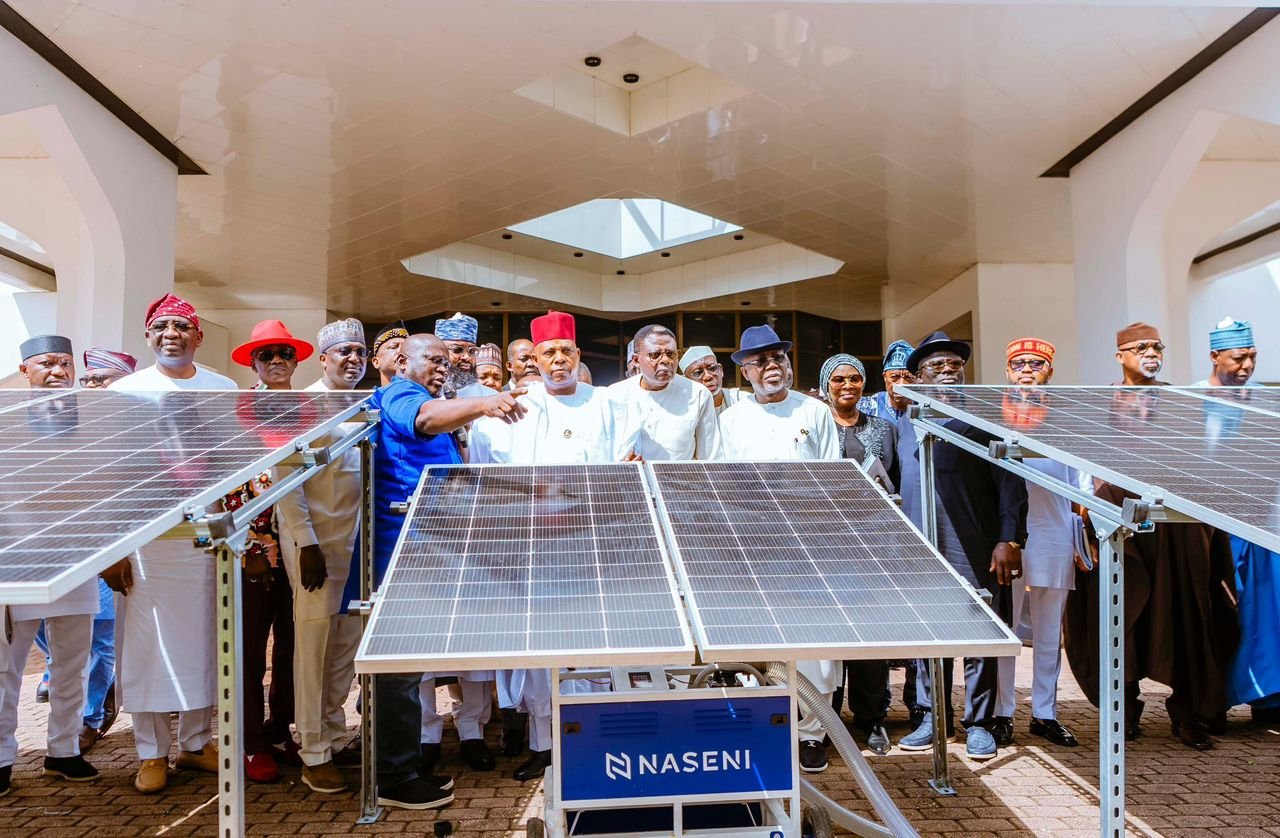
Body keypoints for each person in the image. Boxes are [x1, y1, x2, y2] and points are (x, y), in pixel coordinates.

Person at [470, 310, 636, 783]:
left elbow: (621, 471)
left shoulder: (608, 403)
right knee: (542, 652)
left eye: (566, 350)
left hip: (594, 545)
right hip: (532, 550)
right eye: (549, 352)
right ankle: (545, 747)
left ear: (578, 354)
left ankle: (595, 743)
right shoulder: (513, 408)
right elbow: (486, 477)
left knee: (594, 647)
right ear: (534, 360)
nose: (558, 359)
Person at [369, 333, 527, 809]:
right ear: (403, 360)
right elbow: (423, 420)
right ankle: (394, 778)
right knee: (397, 669)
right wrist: (485, 403)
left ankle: (401, 767)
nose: (443, 367)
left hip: (426, 550)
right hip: (404, 553)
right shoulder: (404, 393)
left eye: (446, 361)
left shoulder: (425, 397)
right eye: (433, 360)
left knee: (407, 666)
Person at [1064, 325, 1239, 749]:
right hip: (1119, 520)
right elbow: (1083, 461)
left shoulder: (1182, 401)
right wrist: (1087, 514)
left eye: (1157, 346)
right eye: (1140, 347)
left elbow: (1204, 459)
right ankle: (1124, 710)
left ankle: (1188, 714)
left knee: (1185, 613)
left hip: (1177, 525)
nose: (1151, 353)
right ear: (1119, 355)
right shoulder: (1100, 402)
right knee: (1121, 612)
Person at [105, 293, 237, 794]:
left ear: (198, 336)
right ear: (148, 337)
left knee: (207, 640)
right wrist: (114, 546)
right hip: (146, 541)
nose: (171, 335)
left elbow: (233, 464)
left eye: (181, 326)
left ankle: (196, 743)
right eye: (161, 326)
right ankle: (151, 752)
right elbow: (110, 473)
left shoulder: (222, 388)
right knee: (148, 646)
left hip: (206, 537)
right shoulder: (124, 391)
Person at [895, 331, 1026, 761]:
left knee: (977, 633)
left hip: (971, 543)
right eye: (937, 365)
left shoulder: (986, 420)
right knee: (928, 632)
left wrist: (1009, 538)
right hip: (920, 548)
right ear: (917, 377)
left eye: (955, 364)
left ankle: (980, 723)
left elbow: (1011, 485)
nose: (949, 371)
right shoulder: (907, 423)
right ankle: (933, 716)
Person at [718, 325, 840, 773]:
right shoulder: (730, 420)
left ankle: (811, 734)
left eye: (779, 358)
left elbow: (833, 477)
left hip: (809, 544)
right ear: (745, 371)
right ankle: (766, 729)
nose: (772, 367)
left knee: (816, 645)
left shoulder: (816, 411)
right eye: (761, 361)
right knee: (760, 640)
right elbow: (721, 485)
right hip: (754, 545)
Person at [1, 335, 100, 797]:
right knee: (7, 668)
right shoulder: (5, 421)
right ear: (25, 370)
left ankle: (63, 750)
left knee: (73, 663)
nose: (59, 371)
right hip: (15, 563)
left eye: (65, 363)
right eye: (47, 363)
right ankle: (2, 757)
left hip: (76, 558)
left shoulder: (92, 422)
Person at [276, 318, 368, 793]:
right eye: (344, 352)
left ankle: (333, 736)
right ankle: (312, 750)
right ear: (323, 358)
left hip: (356, 546)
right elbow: (286, 481)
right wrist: (305, 542)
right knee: (313, 647)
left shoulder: (364, 403)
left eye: (359, 352)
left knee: (344, 647)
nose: (353, 360)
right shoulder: (300, 405)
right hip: (314, 546)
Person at [229, 320, 315, 782]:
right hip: (255, 548)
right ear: (254, 363)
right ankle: (249, 741)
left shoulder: (311, 408)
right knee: (248, 649)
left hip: (301, 544)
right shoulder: (236, 411)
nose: (277, 361)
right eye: (267, 355)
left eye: (285, 353)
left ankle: (280, 730)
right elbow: (227, 481)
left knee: (292, 646)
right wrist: (247, 545)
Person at [992, 339, 1082, 748]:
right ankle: (1002, 712)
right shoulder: (995, 418)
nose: (1027, 370)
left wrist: (1086, 536)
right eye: (1019, 364)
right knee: (1005, 629)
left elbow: (1081, 486)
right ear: (1008, 372)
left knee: (1048, 632)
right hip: (1008, 536)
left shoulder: (1066, 422)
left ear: (1049, 371)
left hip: (1054, 533)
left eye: (1036, 364)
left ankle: (1045, 712)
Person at [816, 352, 898, 756]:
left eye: (854, 379)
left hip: (872, 542)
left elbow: (896, 481)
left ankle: (871, 718)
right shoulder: (816, 425)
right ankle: (827, 718)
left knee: (870, 634)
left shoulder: (883, 428)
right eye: (838, 379)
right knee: (830, 635)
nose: (847, 385)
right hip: (827, 542)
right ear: (826, 385)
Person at [71, 347, 137, 754]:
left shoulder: (136, 427)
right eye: (88, 379)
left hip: (114, 548)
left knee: (102, 637)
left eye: (101, 378)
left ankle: (92, 716)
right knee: (44, 626)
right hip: (69, 549)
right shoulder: (71, 425)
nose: (93, 385)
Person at [609, 325, 722, 461]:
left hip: (682, 476)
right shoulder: (615, 395)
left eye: (670, 354)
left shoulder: (698, 394)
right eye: (655, 355)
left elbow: (711, 458)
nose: (665, 360)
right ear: (636, 360)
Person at [436, 312, 491, 398]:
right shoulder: (425, 394)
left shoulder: (490, 396)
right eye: (457, 350)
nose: (467, 357)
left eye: (472, 351)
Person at [1192, 318, 1259, 387]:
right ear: (1214, 357)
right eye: (1238, 358)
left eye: (1252, 357)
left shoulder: (1261, 391)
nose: (1249, 365)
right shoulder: (1193, 393)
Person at [858, 340, 914, 422]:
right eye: (894, 377)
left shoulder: (925, 407)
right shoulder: (867, 407)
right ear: (885, 377)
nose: (901, 384)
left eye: (908, 377)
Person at [679, 346, 743, 414]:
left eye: (712, 368)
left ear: (721, 370)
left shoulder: (741, 400)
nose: (708, 376)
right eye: (698, 372)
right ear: (686, 381)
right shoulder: (682, 412)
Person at [1113, 322, 1168, 386]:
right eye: (1141, 348)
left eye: (1157, 347)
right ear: (1120, 357)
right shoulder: (1109, 392)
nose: (1152, 353)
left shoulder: (1172, 391)